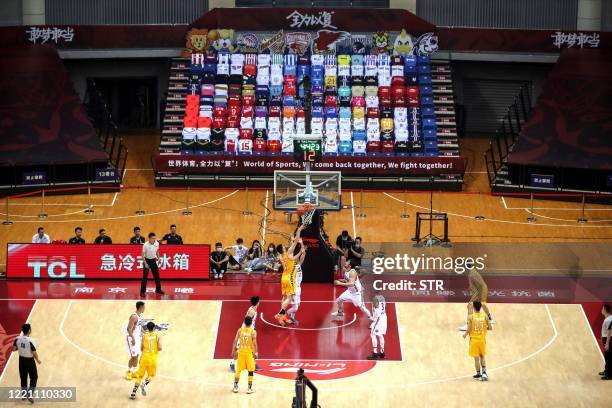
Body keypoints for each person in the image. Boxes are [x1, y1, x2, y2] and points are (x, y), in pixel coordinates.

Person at [274, 225, 304, 326]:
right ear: (282, 249)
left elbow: (292, 258)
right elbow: (295, 242)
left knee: (284, 297)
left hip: (284, 277)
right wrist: (299, 230)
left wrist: (299, 252)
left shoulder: (281, 256)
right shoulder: (288, 252)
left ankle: (282, 317)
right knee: (290, 298)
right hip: (290, 277)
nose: (284, 246)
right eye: (283, 246)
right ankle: (280, 314)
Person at [130, 321, 162, 400]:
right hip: (153, 359)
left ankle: (133, 394)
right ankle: (144, 384)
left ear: (147, 328)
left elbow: (141, 348)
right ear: (154, 328)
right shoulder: (157, 336)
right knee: (151, 375)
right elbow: (160, 348)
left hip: (144, 358)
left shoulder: (144, 336)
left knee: (139, 376)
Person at [463, 301, 492, 381]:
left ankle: (478, 373)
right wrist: (483, 328)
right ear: (480, 307)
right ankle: (484, 373)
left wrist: (465, 334)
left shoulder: (470, 317)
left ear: (474, 308)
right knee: (482, 356)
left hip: (474, 340)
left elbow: (468, 329)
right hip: (482, 340)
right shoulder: (485, 316)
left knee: (476, 358)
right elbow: (490, 328)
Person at [12, 323, 41, 404]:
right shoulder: (31, 340)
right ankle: (29, 394)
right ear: (29, 331)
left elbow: (13, 349)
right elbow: (34, 352)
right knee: (34, 377)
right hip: (30, 361)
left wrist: (21, 348)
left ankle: (24, 395)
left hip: (21, 361)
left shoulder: (17, 339)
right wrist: (38, 360)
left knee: (23, 378)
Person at [460, 264, 494, 331]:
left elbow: (480, 284)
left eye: (463, 268)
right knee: (482, 305)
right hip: (479, 291)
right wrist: (470, 288)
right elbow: (474, 284)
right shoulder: (471, 272)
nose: (463, 270)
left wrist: (479, 294)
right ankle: (490, 318)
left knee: (470, 305)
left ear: (467, 267)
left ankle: (468, 325)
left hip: (481, 291)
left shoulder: (473, 274)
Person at [231, 296, 261, 373]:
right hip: (246, 331)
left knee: (251, 348)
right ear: (257, 303)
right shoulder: (252, 312)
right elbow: (246, 321)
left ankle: (253, 363)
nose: (259, 302)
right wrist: (245, 332)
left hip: (250, 330)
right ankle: (232, 363)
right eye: (259, 301)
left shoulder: (253, 309)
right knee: (240, 348)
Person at [232, 316, 258, 394]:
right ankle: (249, 388)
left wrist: (233, 350)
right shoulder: (253, 332)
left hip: (241, 352)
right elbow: (254, 344)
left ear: (244, 322)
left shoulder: (240, 330)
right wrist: (256, 353)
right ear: (251, 323)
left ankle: (235, 387)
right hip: (249, 353)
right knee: (250, 370)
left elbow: (235, 341)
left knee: (238, 370)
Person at [286, 239, 307, 325]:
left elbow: (303, 253)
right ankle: (283, 314)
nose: (298, 258)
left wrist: (301, 243)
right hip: (293, 288)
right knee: (295, 307)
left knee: (296, 305)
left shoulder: (299, 265)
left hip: (298, 287)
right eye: (296, 258)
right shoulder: (291, 267)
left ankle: (292, 318)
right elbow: (290, 253)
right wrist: (292, 243)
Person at [125, 301, 146, 380]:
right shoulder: (134, 317)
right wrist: (133, 339)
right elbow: (128, 329)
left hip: (137, 338)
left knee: (136, 356)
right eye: (144, 307)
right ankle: (129, 371)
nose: (145, 309)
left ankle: (134, 372)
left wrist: (146, 334)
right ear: (140, 307)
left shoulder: (139, 316)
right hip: (131, 338)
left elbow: (140, 328)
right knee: (133, 356)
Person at [367, 294, 388, 360]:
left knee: (373, 335)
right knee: (380, 335)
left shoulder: (375, 299)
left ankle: (375, 353)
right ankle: (382, 353)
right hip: (384, 317)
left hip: (379, 320)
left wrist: (371, 318)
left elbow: (375, 317)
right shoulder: (382, 297)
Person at [600, 304, 612, 380]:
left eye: (602, 308)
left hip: (608, 339)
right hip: (607, 339)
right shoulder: (608, 318)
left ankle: (610, 374)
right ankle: (606, 370)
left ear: (604, 309)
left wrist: (607, 343)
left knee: (609, 357)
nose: (601, 310)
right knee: (607, 355)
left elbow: (610, 332)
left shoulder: (609, 320)